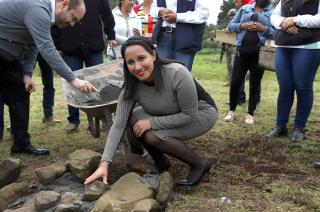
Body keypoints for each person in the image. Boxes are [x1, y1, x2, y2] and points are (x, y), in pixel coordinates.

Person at [84, 36, 218, 187]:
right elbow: (119, 124)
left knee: (152, 136)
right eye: (130, 62)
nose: (137, 67)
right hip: (167, 111)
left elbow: (189, 114)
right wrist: (104, 163)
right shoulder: (131, 85)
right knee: (130, 117)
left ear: (153, 55)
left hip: (199, 113)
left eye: (141, 58)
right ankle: (160, 160)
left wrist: (151, 122)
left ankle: (199, 164)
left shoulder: (177, 73)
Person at [0, 0, 96, 156]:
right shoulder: (38, 9)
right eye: (73, 18)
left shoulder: (44, 16)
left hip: (7, 57)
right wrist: (75, 80)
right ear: (64, 4)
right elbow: (47, 48)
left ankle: (21, 145)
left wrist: (27, 74)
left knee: (20, 94)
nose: (72, 24)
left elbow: (32, 45)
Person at [55, 0, 116, 133]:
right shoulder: (64, 2)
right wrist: (57, 45)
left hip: (93, 47)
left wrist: (110, 35)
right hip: (70, 49)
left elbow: (107, 16)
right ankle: (73, 121)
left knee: (99, 84)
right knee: (72, 85)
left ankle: (102, 118)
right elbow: (55, 22)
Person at [266, 0, 320, 142]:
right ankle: (280, 126)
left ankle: (299, 128)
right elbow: (273, 17)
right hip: (283, 45)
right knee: (285, 88)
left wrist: (295, 20)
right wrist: (284, 23)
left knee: (303, 87)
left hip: (308, 46)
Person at [224, 0, 275, 124]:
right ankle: (231, 111)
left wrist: (263, 29)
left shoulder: (273, 13)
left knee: (254, 84)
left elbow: (276, 33)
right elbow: (230, 26)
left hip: (260, 53)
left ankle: (250, 114)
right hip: (241, 51)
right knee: (235, 82)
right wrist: (242, 26)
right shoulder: (244, 9)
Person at [150, 0, 209, 71]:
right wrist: (159, 11)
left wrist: (178, 17)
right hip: (162, 36)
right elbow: (152, 9)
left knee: (182, 72)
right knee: (162, 72)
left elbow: (204, 13)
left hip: (186, 37)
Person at [37, 54, 61, 124]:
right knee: (21, 86)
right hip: (28, 49)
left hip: (45, 51)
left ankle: (48, 116)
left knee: (49, 85)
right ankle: (15, 120)